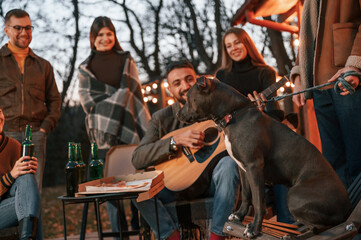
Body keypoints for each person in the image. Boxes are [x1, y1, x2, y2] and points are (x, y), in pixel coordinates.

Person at [132, 60, 240, 240]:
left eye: (189, 79)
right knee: (135, 185)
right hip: (172, 187)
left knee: (229, 165)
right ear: (170, 91)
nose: (185, 86)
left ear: (198, 80)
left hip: (211, 185)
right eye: (177, 83)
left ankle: (218, 236)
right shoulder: (161, 118)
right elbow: (138, 158)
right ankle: (172, 237)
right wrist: (175, 141)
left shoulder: (217, 110)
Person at [78, 16, 150, 236]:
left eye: (109, 33)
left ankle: (143, 227)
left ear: (114, 36)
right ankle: (119, 234)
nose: (105, 38)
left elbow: (133, 93)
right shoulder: (85, 67)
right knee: (109, 185)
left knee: (136, 181)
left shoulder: (126, 59)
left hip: (130, 127)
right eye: (100, 34)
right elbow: (88, 103)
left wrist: (114, 100)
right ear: (93, 38)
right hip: (102, 135)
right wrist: (119, 98)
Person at [216, 27, 294, 224]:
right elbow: (217, 115)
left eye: (237, 42)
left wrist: (263, 111)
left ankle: (287, 224)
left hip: (262, 140)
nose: (234, 48)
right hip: (234, 144)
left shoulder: (265, 72)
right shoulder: (221, 77)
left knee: (280, 161)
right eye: (229, 45)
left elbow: (275, 115)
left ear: (247, 43)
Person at [291, 0, 361, 188]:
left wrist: (355, 63)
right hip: (320, 85)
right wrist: (298, 76)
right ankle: (346, 216)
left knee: (358, 159)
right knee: (334, 164)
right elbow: (307, 31)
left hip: (349, 79)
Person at [0, 9, 61, 192]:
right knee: (8, 192)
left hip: (35, 136)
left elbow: (55, 101)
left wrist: (44, 129)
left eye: (28, 27)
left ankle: (34, 223)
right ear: (6, 30)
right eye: (18, 28)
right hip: (4, 136)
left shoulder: (44, 66)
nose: (24, 33)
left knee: (34, 192)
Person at [0, 107, 43, 240]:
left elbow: (22, 187)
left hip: (8, 206)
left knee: (27, 179)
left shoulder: (14, 146)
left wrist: (28, 170)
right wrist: (11, 175)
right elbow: (12, 177)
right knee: (31, 202)